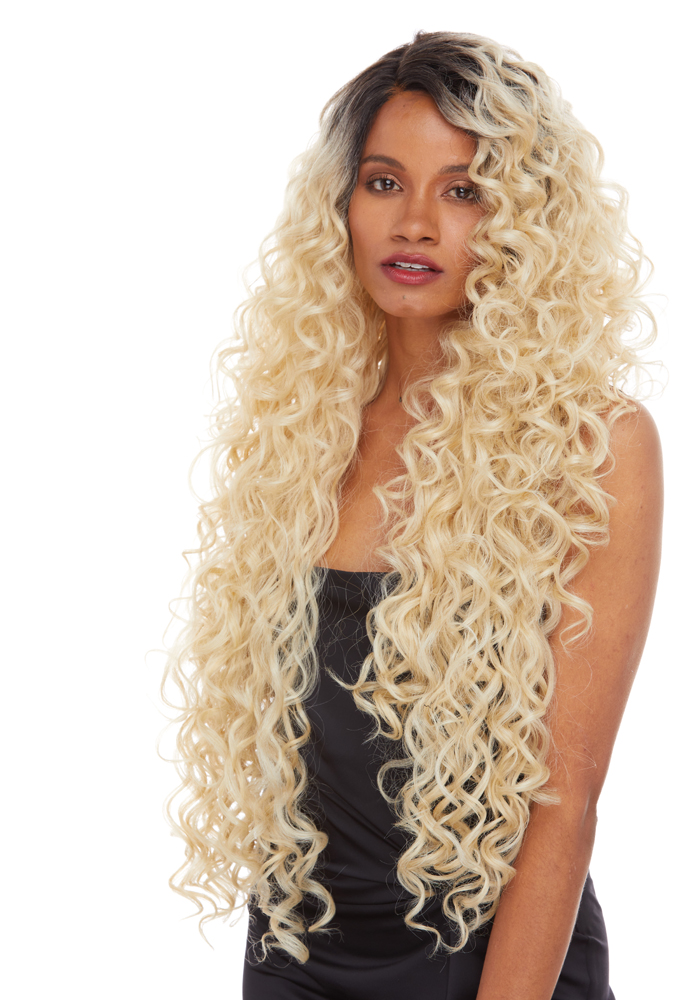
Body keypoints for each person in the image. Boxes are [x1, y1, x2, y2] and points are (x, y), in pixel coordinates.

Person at [164, 30, 663, 1000]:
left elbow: (563, 804)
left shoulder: (593, 446)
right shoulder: (299, 433)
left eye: (463, 189)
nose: (416, 224)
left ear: (523, 217)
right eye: (385, 182)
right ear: (341, 205)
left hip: (496, 967)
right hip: (298, 951)